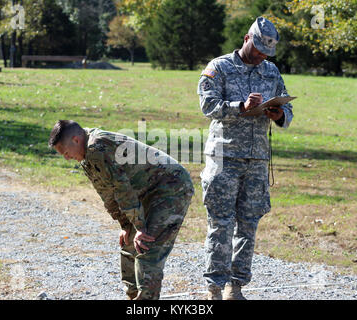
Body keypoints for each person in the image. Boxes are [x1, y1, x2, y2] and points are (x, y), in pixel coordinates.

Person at [197, 17, 294, 300]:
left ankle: (235, 287)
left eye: (267, 52)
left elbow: (286, 107)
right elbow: (208, 105)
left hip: (257, 160)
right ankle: (214, 288)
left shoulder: (271, 71)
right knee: (221, 223)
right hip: (224, 158)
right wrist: (240, 106)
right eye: (258, 49)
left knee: (249, 223)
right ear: (245, 38)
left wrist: (279, 114)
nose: (262, 55)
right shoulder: (219, 67)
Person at [48, 120, 194, 300]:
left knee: (147, 248)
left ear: (76, 140)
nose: (67, 158)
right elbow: (106, 192)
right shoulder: (87, 154)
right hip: (146, 191)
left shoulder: (98, 148)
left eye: (66, 153)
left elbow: (123, 191)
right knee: (128, 244)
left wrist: (140, 227)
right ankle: (133, 297)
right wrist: (126, 224)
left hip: (170, 188)